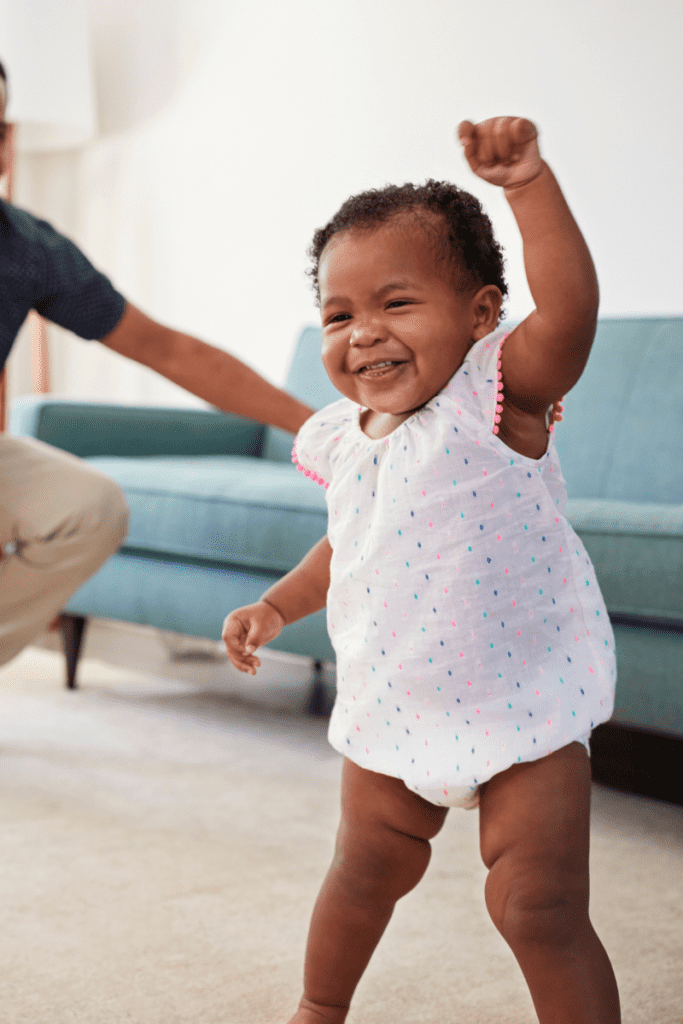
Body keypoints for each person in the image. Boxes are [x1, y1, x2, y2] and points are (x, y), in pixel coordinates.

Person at [222, 116, 621, 1023]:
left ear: (480, 316)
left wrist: (526, 189)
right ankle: (319, 1008)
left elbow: (569, 316)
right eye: (338, 315)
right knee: (362, 870)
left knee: (539, 906)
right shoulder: (343, 437)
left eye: (396, 304)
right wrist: (277, 606)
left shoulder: (496, 399)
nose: (363, 334)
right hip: (394, 697)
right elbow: (351, 544)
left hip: (522, 704)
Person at [0, 60, 313, 666]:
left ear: (5, 143)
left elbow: (169, 350)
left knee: (88, 506)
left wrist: (322, 427)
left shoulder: (27, 250)